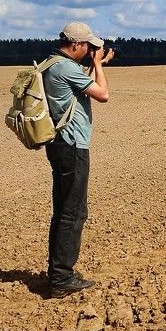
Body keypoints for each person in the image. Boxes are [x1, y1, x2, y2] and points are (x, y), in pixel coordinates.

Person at [42, 21, 113, 298]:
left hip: (58, 144)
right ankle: (61, 278)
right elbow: (103, 95)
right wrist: (100, 66)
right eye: (88, 46)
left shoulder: (51, 63)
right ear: (76, 44)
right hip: (72, 146)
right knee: (73, 212)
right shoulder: (66, 67)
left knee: (63, 209)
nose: (90, 50)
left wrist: (97, 62)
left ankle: (59, 271)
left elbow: (73, 88)